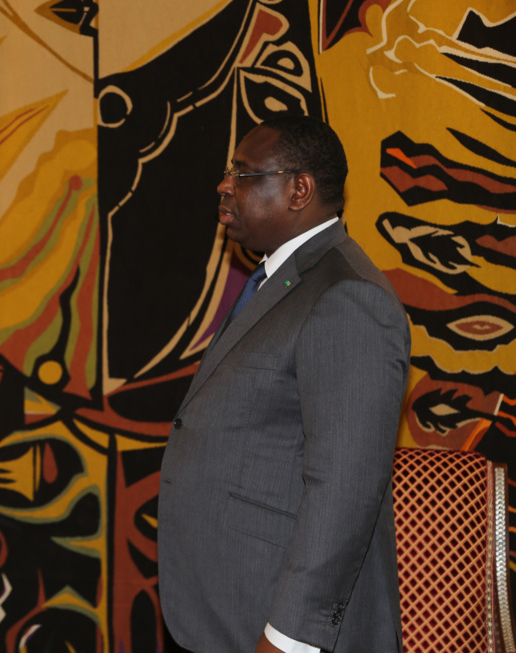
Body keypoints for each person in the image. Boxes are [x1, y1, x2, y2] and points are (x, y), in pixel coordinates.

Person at [158, 116, 410, 653]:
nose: (225, 186)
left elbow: (344, 489)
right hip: (230, 605)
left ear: (300, 189)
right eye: (230, 172)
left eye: (245, 174)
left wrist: (291, 637)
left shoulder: (347, 297)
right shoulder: (283, 281)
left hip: (281, 623)